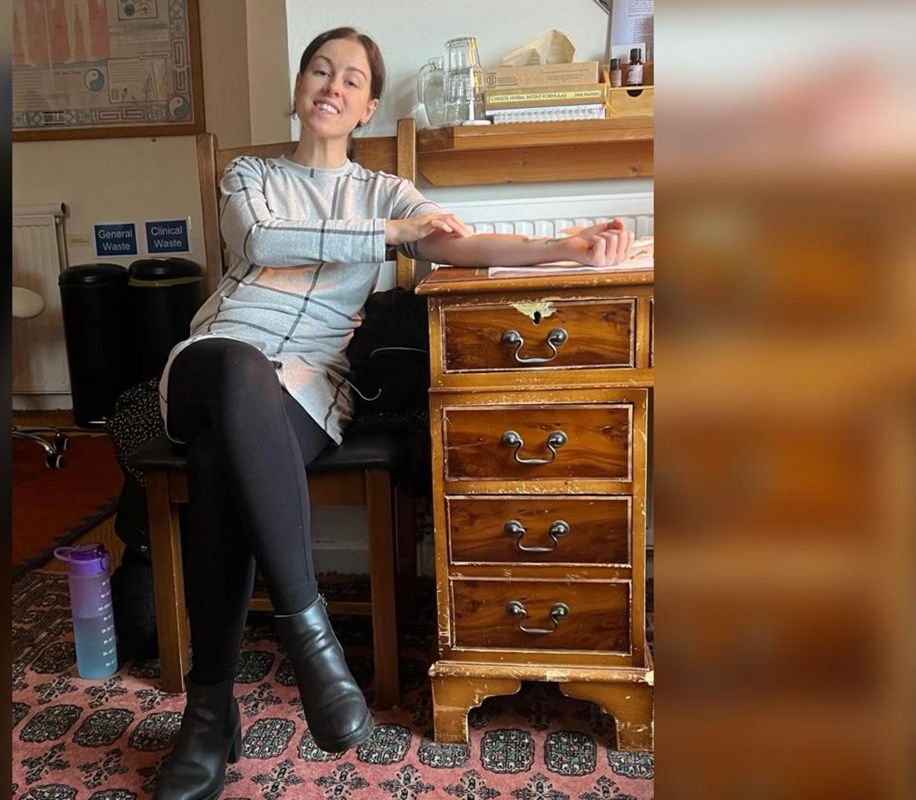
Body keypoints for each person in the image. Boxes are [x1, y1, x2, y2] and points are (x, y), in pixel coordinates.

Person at [151, 26, 632, 800]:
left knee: (215, 463)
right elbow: (263, 239)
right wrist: (392, 236)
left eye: (351, 79)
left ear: (368, 106)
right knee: (239, 369)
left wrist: (564, 248)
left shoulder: (385, 191)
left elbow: (458, 244)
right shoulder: (251, 175)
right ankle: (312, 641)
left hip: (305, 384)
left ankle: (209, 716)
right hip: (214, 362)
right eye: (320, 70)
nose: (331, 86)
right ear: (300, 87)